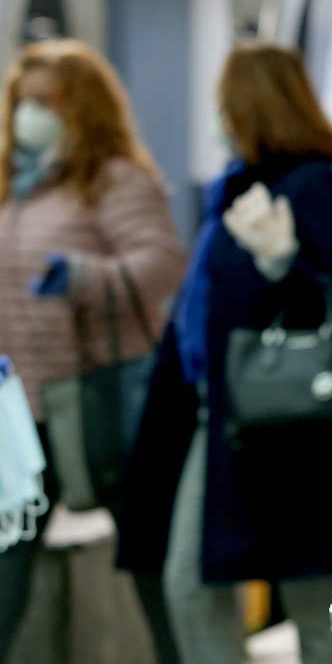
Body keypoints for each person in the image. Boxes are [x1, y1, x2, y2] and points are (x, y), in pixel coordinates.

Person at [116, 43, 332, 664]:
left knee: (317, 597)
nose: (220, 121)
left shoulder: (313, 188)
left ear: (254, 107)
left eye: (226, 107)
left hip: (295, 424)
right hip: (224, 419)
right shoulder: (236, 190)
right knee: (190, 582)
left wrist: (281, 265)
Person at [0, 40, 187, 662]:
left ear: (82, 108)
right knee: (10, 553)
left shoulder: (113, 179)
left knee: (145, 557)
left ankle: (175, 652)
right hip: (21, 408)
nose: (31, 115)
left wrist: (84, 275)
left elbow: (161, 264)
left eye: (46, 103)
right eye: (22, 102)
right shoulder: (13, 185)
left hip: (98, 396)